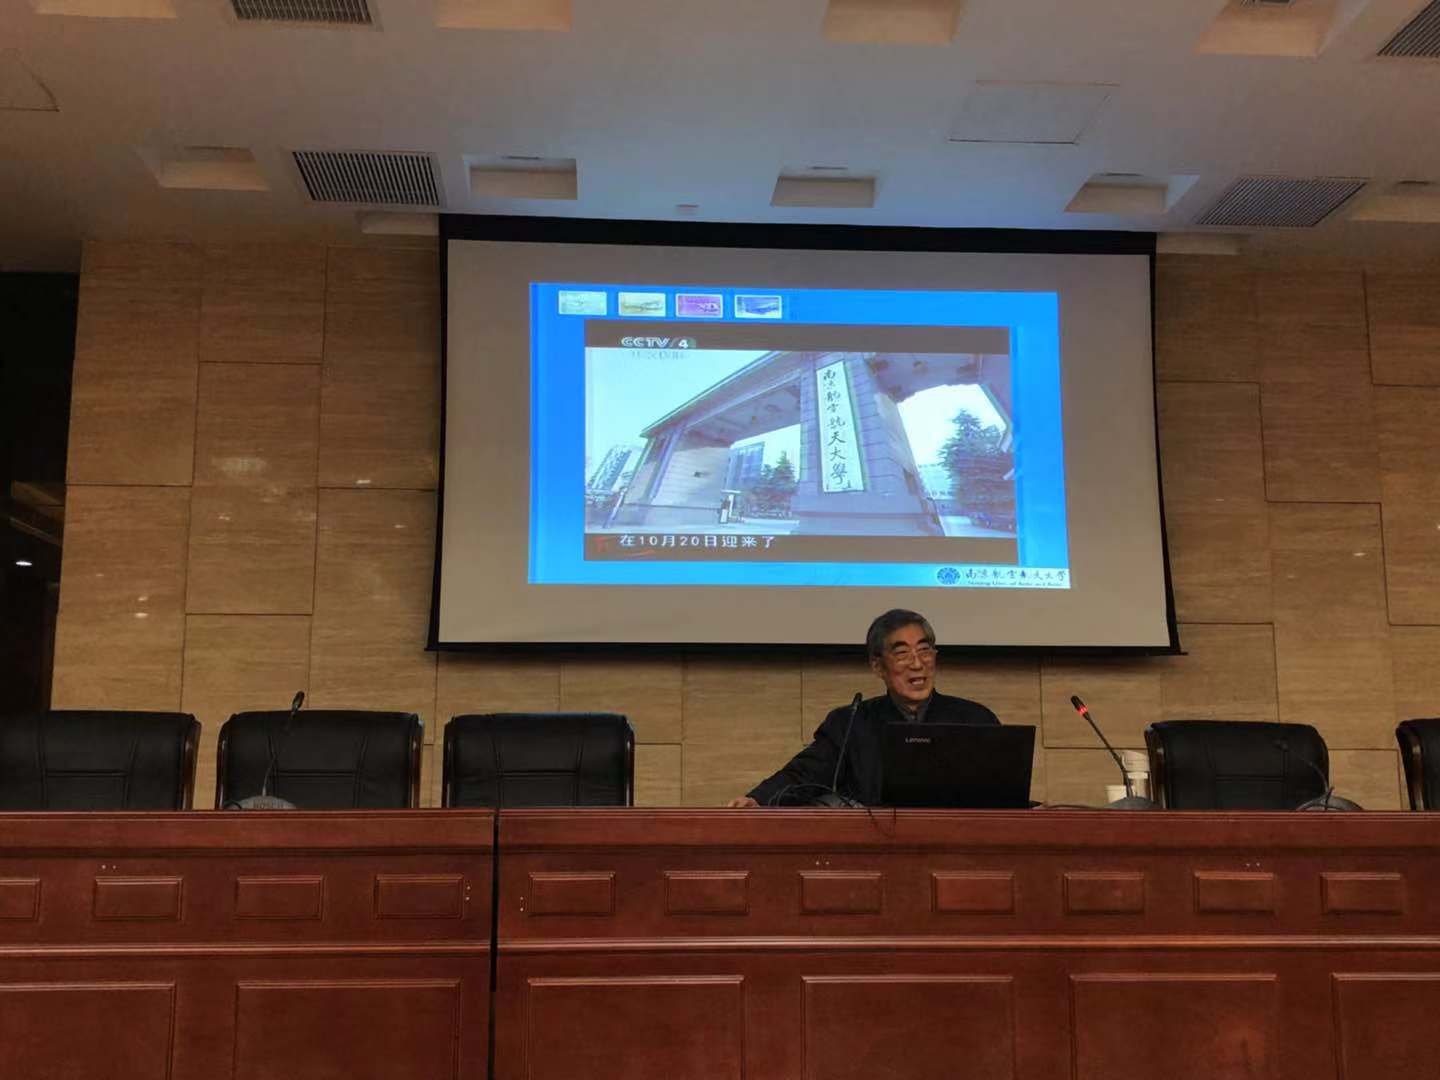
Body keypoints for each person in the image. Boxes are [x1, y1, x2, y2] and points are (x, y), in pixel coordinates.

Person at [728, 608, 999, 808]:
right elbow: (803, 774)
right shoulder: (850, 724)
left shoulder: (975, 719)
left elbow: (1002, 791)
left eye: (924, 651)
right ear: (878, 666)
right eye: (902, 653)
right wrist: (758, 799)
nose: (917, 664)